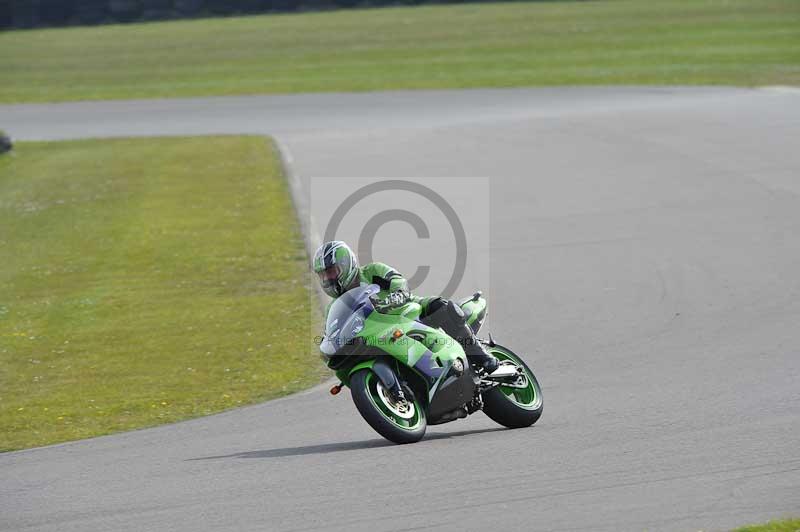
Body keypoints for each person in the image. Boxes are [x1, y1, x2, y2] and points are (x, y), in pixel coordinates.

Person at [312, 240, 499, 374]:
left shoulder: (372, 272)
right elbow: (334, 331)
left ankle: (480, 356)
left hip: (408, 311)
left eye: (331, 272)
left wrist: (397, 294)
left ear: (346, 264)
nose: (328, 279)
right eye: (323, 275)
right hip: (378, 334)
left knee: (442, 306)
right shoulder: (334, 308)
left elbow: (399, 281)